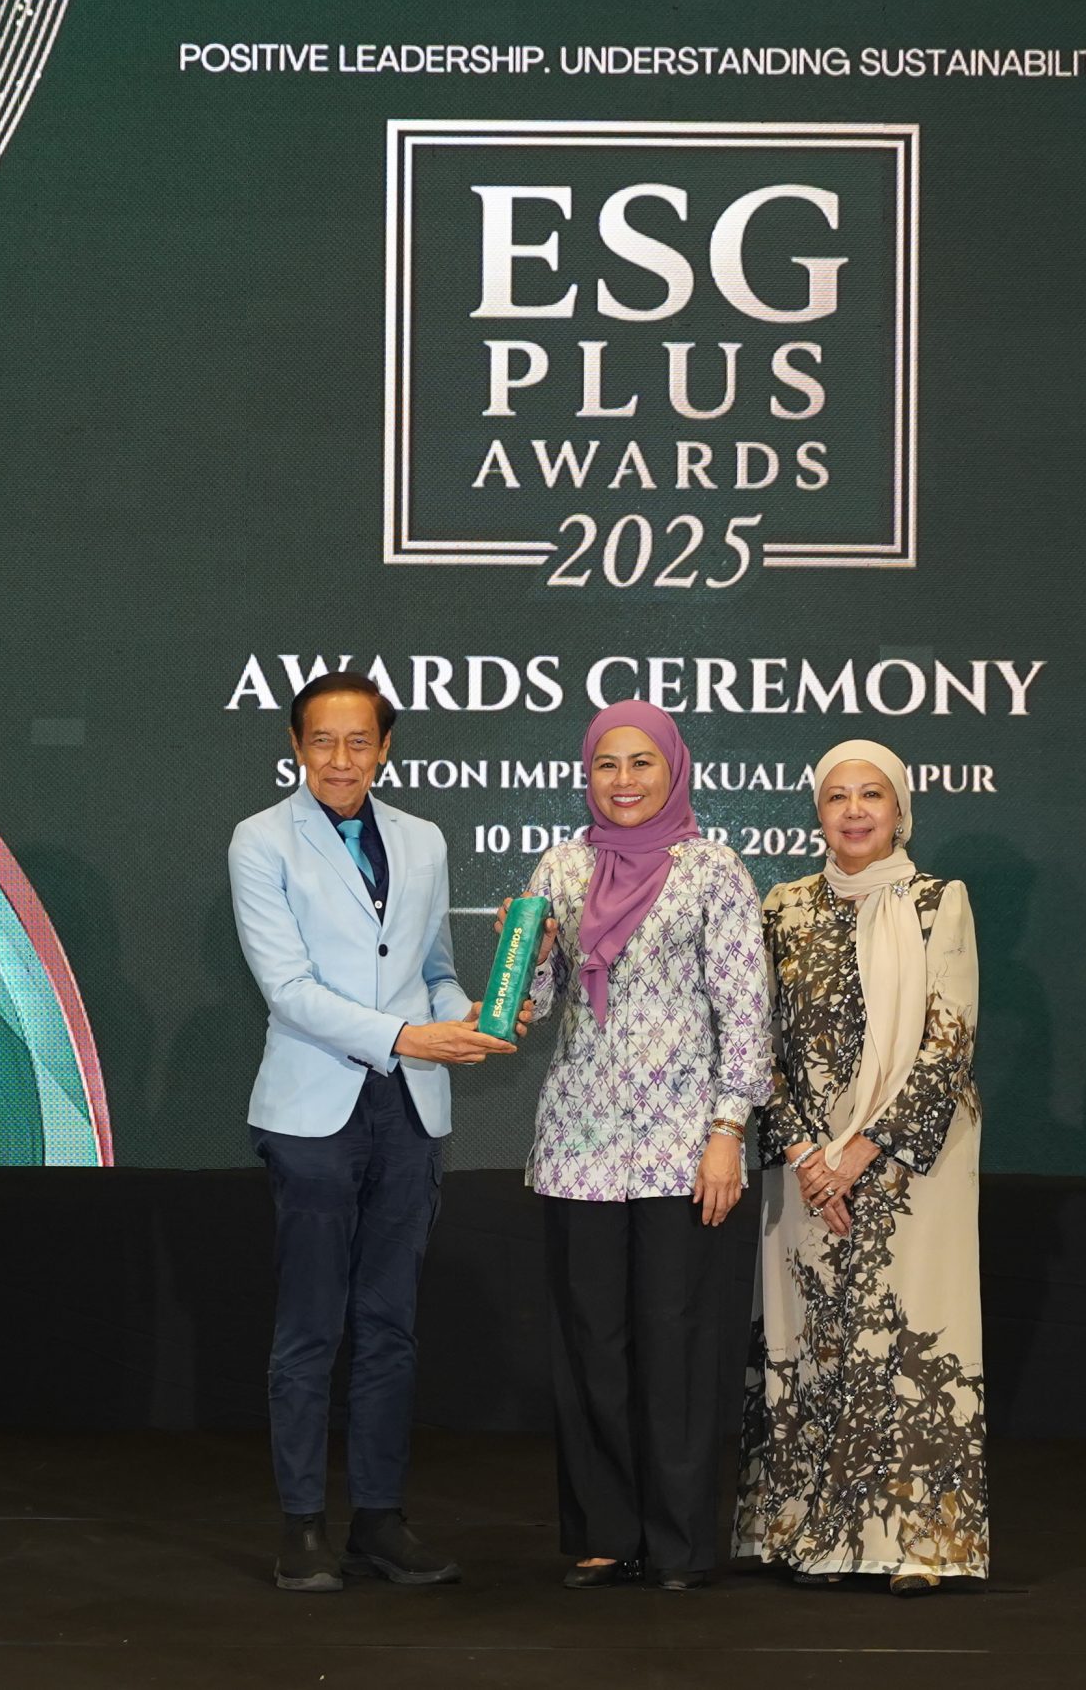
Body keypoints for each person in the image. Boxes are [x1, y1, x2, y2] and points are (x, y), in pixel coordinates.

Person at [228, 670, 519, 1592]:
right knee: (311, 1327)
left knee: (391, 1326)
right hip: (312, 1115)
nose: (341, 759)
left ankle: (381, 1521)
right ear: (295, 745)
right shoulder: (260, 839)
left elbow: (433, 968)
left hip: (410, 1113)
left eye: (359, 741)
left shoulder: (424, 838)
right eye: (322, 740)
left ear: (385, 748)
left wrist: (465, 1015)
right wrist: (405, 1036)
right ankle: (303, 1525)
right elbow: (288, 989)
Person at [507, 699, 773, 1590]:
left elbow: (746, 1013)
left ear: (673, 768)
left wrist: (728, 1130)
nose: (623, 781)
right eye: (606, 765)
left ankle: (680, 1542)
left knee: (678, 1341)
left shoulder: (713, 871)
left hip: (684, 1147)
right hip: (578, 1143)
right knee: (592, 1341)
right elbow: (531, 1008)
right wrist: (527, 950)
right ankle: (606, 1533)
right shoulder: (561, 866)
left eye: (641, 763)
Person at [734, 739, 989, 1594]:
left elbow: (948, 1042)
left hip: (914, 1164)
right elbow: (758, 1042)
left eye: (871, 794)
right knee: (812, 1340)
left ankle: (914, 1542)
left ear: (899, 808)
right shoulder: (782, 907)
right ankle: (810, 1533)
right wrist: (808, 1154)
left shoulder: (938, 902)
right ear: (817, 810)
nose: (853, 810)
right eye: (837, 795)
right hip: (806, 1162)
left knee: (909, 1340)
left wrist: (861, 1154)